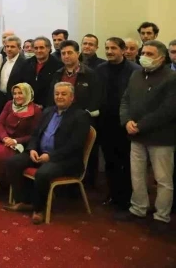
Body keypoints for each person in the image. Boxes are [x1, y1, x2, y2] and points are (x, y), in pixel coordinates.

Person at [4, 83, 90, 225]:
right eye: (57, 94)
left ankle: (39, 209)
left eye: (63, 94)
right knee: (12, 162)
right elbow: (35, 135)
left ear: (72, 97)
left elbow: (75, 145)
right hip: (39, 153)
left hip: (65, 160)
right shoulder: (48, 111)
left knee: (43, 173)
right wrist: (32, 149)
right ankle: (25, 201)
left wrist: (51, 156)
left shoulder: (81, 116)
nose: (59, 97)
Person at [119, 40, 176, 230]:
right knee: (137, 175)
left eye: (150, 54)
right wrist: (126, 121)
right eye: (143, 53)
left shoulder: (171, 78)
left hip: (161, 137)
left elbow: (168, 110)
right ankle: (138, 208)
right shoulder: (136, 74)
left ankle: (161, 216)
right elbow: (125, 100)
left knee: (163, 179)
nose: (144, 57)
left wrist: (140, 125)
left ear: (161, 57)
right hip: (136, 135)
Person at [49, 40, 102, 186]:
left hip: (81, 119)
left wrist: (85, 115)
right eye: (63, 53)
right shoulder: (58, 73)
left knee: (81, 152)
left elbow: (96, 98)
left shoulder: (90, 74)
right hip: (61, 117)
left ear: (77, 54)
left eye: (69, 52)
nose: (66, 56)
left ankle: (85, 185)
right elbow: (52, 97)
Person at [96, 37, 141, 211]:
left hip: (126, 123)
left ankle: (128, 197)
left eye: (113, 48)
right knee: (110, 161)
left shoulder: (135, 70)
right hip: (106, 122)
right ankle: (113, 194)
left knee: (127, 162)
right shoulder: (100, 69)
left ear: (123, 50)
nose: (109, 51)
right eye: (107, 48)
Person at [21, 36, 63, 107]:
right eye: (36, 48)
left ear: (48, 48)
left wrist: (44, 106)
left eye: (41, 48)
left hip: (48, 107)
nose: (38, 51)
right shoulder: (26, 64)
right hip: (28, 105)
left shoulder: (58, 66)